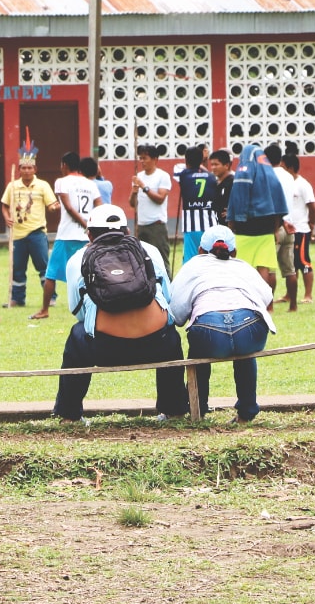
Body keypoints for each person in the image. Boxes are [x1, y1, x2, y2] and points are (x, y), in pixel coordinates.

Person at [52, 204, 188, 422]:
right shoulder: (150, 251)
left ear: (89, 234)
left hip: (104, 349)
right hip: (157, 345)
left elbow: (77, 311)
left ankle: (69, 416)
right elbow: (167, 300)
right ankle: (175, 410)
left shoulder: (78, 259)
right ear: (127, 230)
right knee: (171, 335)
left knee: (77, 336)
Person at [169, 225, 277, 422]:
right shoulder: (242, 266)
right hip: (249, 328)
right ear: (234, 251)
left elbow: (176, 314)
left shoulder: (192, 266)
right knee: (245, 354)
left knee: (198, 353)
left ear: (201, 251)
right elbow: (267, 295)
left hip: (209, 331)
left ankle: (198, 409)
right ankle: (247, 411)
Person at [31, 152, 101, 320]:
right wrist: (92, 227)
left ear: (64, 165)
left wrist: (85, 225)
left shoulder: (61, 182)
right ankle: (97, 306)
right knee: (91, 272)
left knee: (51, 273)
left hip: (66, 235)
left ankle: (45, 309)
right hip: (87, 237)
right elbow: (99, 205)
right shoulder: (90, 184)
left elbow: (69, 208)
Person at [228, 143, 289, 292]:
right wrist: (275, 228)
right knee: (264, 265)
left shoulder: (245, 169)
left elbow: (238, 194)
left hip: (246, 225)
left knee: (242, 265)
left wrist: (232, 221)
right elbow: (278, 202)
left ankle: (245, 298)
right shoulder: (270, 174)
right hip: (267, 226)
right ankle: (265, 301)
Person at [0, 156, 57, 309]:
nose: (26, 171)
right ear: (19, 170)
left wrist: (53, 207)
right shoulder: (12, 186)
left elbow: (52, 204)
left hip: (37, 232)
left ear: (35, 169)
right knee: (17, 268)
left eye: (29, 168)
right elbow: (4, 206)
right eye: (23, 168)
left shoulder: (42, 185)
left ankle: (50, 297)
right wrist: (6, 218)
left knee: (43, 266)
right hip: (17, 234)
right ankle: (17, 298)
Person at [264, 144, 300, 310]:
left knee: (271, 269)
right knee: (290, 269)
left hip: (275, 226)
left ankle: (269, 306)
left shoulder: (268, 175)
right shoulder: (289, 176)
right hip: (289, 225)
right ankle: (293, 305)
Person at [280, 152, 315, 304]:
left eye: (283, 167)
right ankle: (289, 294)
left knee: (303, 261)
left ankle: (308, 295)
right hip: (288, 229)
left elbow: (313, 207)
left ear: (290, 168)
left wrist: (311, 224)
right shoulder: (285, 183)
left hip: (301, 229)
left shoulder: (303, 185)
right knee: (291, 263)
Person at [129, 145, 172, 265]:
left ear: (155, 159)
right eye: (140, 158)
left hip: (156, 226)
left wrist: (144, 187)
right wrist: (133, 193)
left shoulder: (162, 176)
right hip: (141, 226)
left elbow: (160, 199)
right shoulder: (139, 177)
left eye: (145, 158)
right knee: (142, 261)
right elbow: (132, 204)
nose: (142, 161)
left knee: (161, 260)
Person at [176, 146, 218, 263]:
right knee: (211, 259)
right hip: (210, 224)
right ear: (201, 160)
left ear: (186, 161)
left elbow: (177, 168)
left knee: (191, 260)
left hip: (191, 226)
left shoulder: (183, 175)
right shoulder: (211, 176)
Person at [208, 149, 234, 227]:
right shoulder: (214, 183)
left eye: (216, 164)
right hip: (216, 226)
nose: (213, 167)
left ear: (226, 165)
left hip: (229, 228)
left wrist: (233, 212)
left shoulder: (233, 182)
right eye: (212, 165)